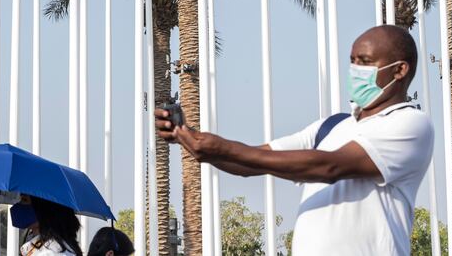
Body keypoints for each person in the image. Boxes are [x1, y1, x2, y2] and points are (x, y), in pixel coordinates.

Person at [156, 25, 434, 256]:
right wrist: (190, 138)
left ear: (400, 70)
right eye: (352, 61)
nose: (355, 69)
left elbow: (328, 167)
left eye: (365, 62)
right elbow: (254, 160)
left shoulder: (410, 123)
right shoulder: (332, 126)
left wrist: (217, 148)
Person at [10, 195, 83, 256]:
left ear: (44, 209)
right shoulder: (43, 246)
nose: (18, 204)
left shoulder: (51, 252)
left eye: (24, 199)